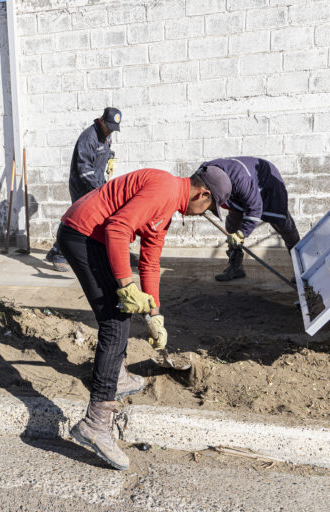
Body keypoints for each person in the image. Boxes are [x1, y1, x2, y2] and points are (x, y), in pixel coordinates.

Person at [56, 167, 231, 470]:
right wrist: (126, 285)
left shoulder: (168, 207)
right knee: (115, 320)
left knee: (120, 315)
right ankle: (96, 424)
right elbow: (118, 228)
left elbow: (150, 261)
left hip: (93, 236)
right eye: (209, 208)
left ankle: (117, 377)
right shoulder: (164, 189)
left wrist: (155, 315)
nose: (205, 213)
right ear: (203, 194)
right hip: (83, 234)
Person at [197, 157, 300, 281]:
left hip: (267, 185)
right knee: (232, 224)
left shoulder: (241, 180)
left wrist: (242, 234)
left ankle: (302, 269)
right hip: (238, 188)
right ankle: (236, 267)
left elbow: (255, 209)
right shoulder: (202, 175)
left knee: (284, 226)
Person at [45, 107, 122, 272]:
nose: (110, 131)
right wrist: (99, 190)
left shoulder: (106, 136)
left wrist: (110, 158)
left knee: (96, 218)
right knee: (76, 219)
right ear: (101, 120)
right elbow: (84, 170)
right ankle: (58, 254)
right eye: (108, 127)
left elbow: (104, 152)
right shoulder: (88, 138)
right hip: (82, 184)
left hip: (98, 182)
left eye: (113, 129)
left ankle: (59, 252)